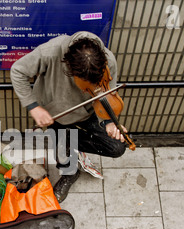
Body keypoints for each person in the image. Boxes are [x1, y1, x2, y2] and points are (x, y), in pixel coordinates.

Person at [10, 31, 127, 203]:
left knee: (117, 147)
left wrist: (109, 122)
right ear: (69, 68)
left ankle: (68, 145)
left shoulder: (108, 61)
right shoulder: (50, 52)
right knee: (62, 150)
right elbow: (17, 71)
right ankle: (70, 173)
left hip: (91, 111)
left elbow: (106, 95)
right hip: (56, 113)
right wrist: (34, 107)